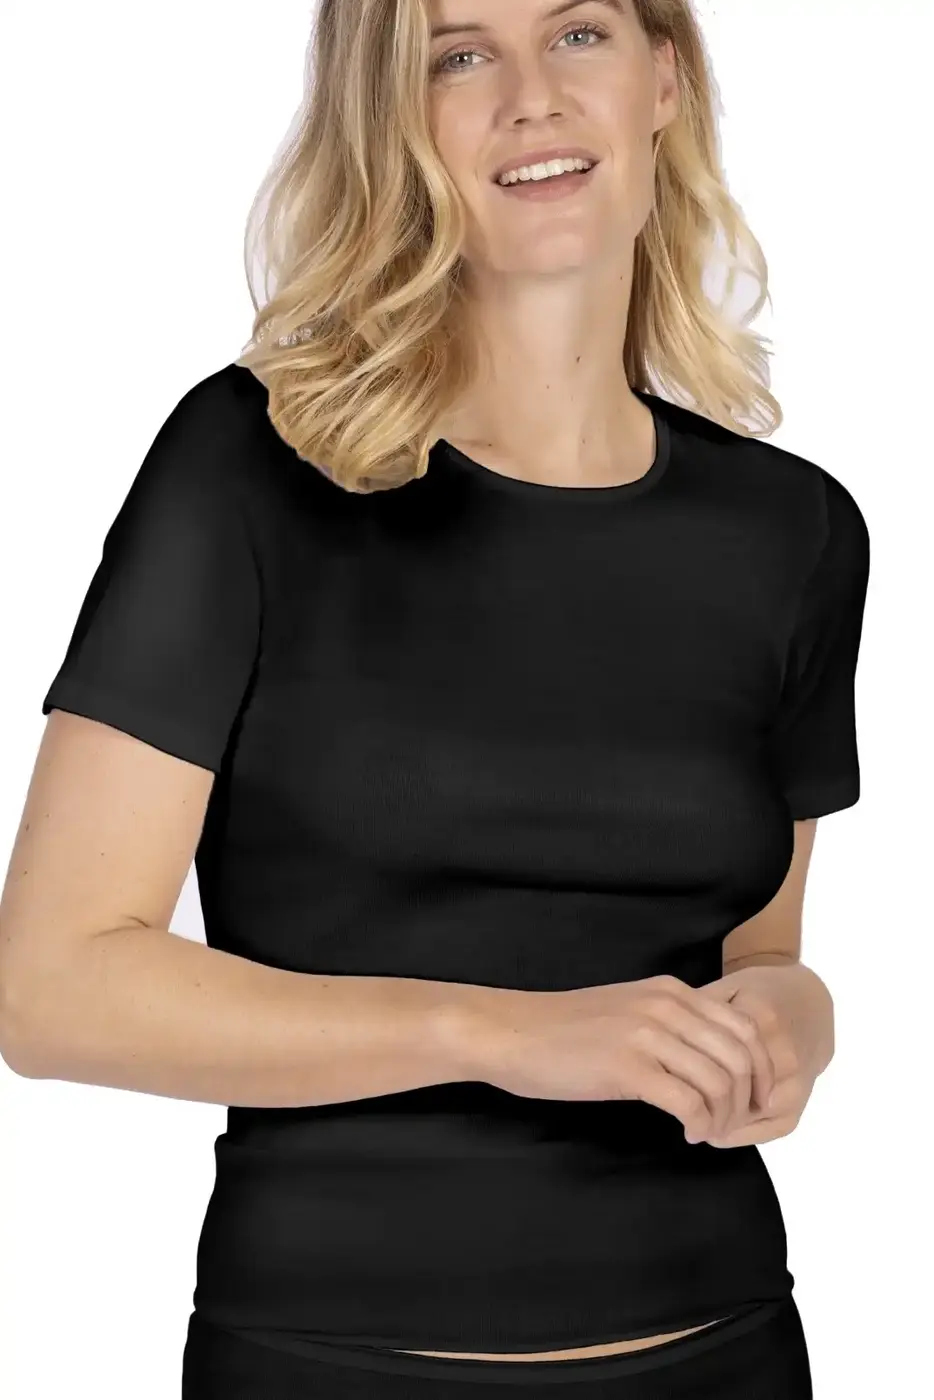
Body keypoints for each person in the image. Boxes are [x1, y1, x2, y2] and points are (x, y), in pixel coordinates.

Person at [0, 0, 870, 1396]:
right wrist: (499, 1034)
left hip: (726, 1346)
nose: (530, 95)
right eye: (457, 55)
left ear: (662, 76)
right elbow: (50, 990)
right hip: (337, 1361)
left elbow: (757, 956)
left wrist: (794, 1020)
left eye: (577, 34)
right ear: (389, 119)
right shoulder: (250, 469)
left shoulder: (793, 533)